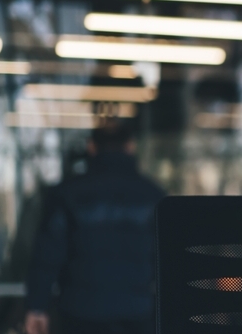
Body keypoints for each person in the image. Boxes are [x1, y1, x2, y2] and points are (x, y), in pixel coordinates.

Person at [25, 124, 164, 334]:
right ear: (130, 147)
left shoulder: (67, 194)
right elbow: (166, 259)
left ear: (91, 147)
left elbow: (47, 256)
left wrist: (37, 307)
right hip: (137, 312)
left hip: (80, 312)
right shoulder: (153, 195)